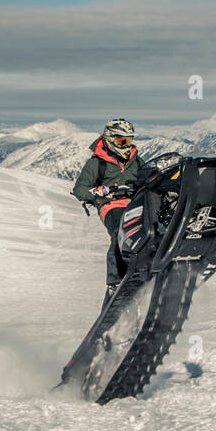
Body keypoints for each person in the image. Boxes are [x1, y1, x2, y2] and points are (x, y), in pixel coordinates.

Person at [72, 119, 149, 303]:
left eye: (128, 141)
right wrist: (97, 192)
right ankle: (115, 282)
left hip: (137, 203)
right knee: (121, 230)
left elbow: (149, 176)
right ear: (110, 139)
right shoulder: (96, 164)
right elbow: (79, 189)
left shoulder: (136, 161)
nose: (126, 145)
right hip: (111, 205)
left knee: (153, 226)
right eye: (122, 141)